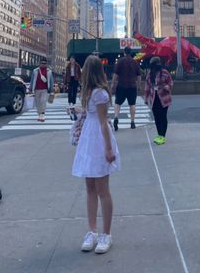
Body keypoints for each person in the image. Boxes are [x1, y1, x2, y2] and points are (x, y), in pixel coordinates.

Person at [72, 55, 120, 255]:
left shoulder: (100, 93)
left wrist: (108, 148)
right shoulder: (89, 92)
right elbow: (92, 116)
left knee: (102, 189)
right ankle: (92, 231)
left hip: (98, 139)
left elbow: (103, 122)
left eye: (84, 69)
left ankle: (106, 234)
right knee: (90, 187)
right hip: (88, 139)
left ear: (88, 71)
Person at [144, 56, 173, 145]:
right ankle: (159, 135)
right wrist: (146, 98)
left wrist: (167, 87)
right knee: (156, 117)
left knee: (163, 116)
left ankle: (162, 136)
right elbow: (147, 86)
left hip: (164, 97)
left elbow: (170, 82)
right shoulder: (149, 74)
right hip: (154, 98)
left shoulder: (164, 73)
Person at [111, 47, 141, 131]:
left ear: (124, 52)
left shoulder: (120, 61)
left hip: (121, 85)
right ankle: (132, 122)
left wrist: (113, 85)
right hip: (132, 86)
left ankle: (116, 117)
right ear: (130, 53)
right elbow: (139, 76)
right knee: (132, 104)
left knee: (117, 103)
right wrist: (139, 86)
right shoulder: (135, 62)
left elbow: (115, 75)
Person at [30, 57, 53, 122]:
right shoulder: (35, 71)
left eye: (44, 63)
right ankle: (39, 114)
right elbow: (32, 79)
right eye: (42, 63)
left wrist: (51, 89)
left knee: (43, 101)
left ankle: (42, 114)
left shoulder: (49, 71)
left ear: (46, 64)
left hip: (45, 89)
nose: (43, 64)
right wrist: (31, 88)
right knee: (38, 102)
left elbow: (51, 81)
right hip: (36, 89)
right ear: (39, 63)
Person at [65, 55, 82, 120]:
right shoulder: (68, 66)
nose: (71, 60)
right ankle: (70, 102)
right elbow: (66, 74)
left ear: (74, 60)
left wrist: (79, 79)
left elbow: (80, 73)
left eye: (72, 59)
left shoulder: (77, 65)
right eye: (71, 59)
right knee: (69, 91)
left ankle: (73, 102)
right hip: (69, 79)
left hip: (75, 79)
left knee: (74, 91)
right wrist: (65, 82)